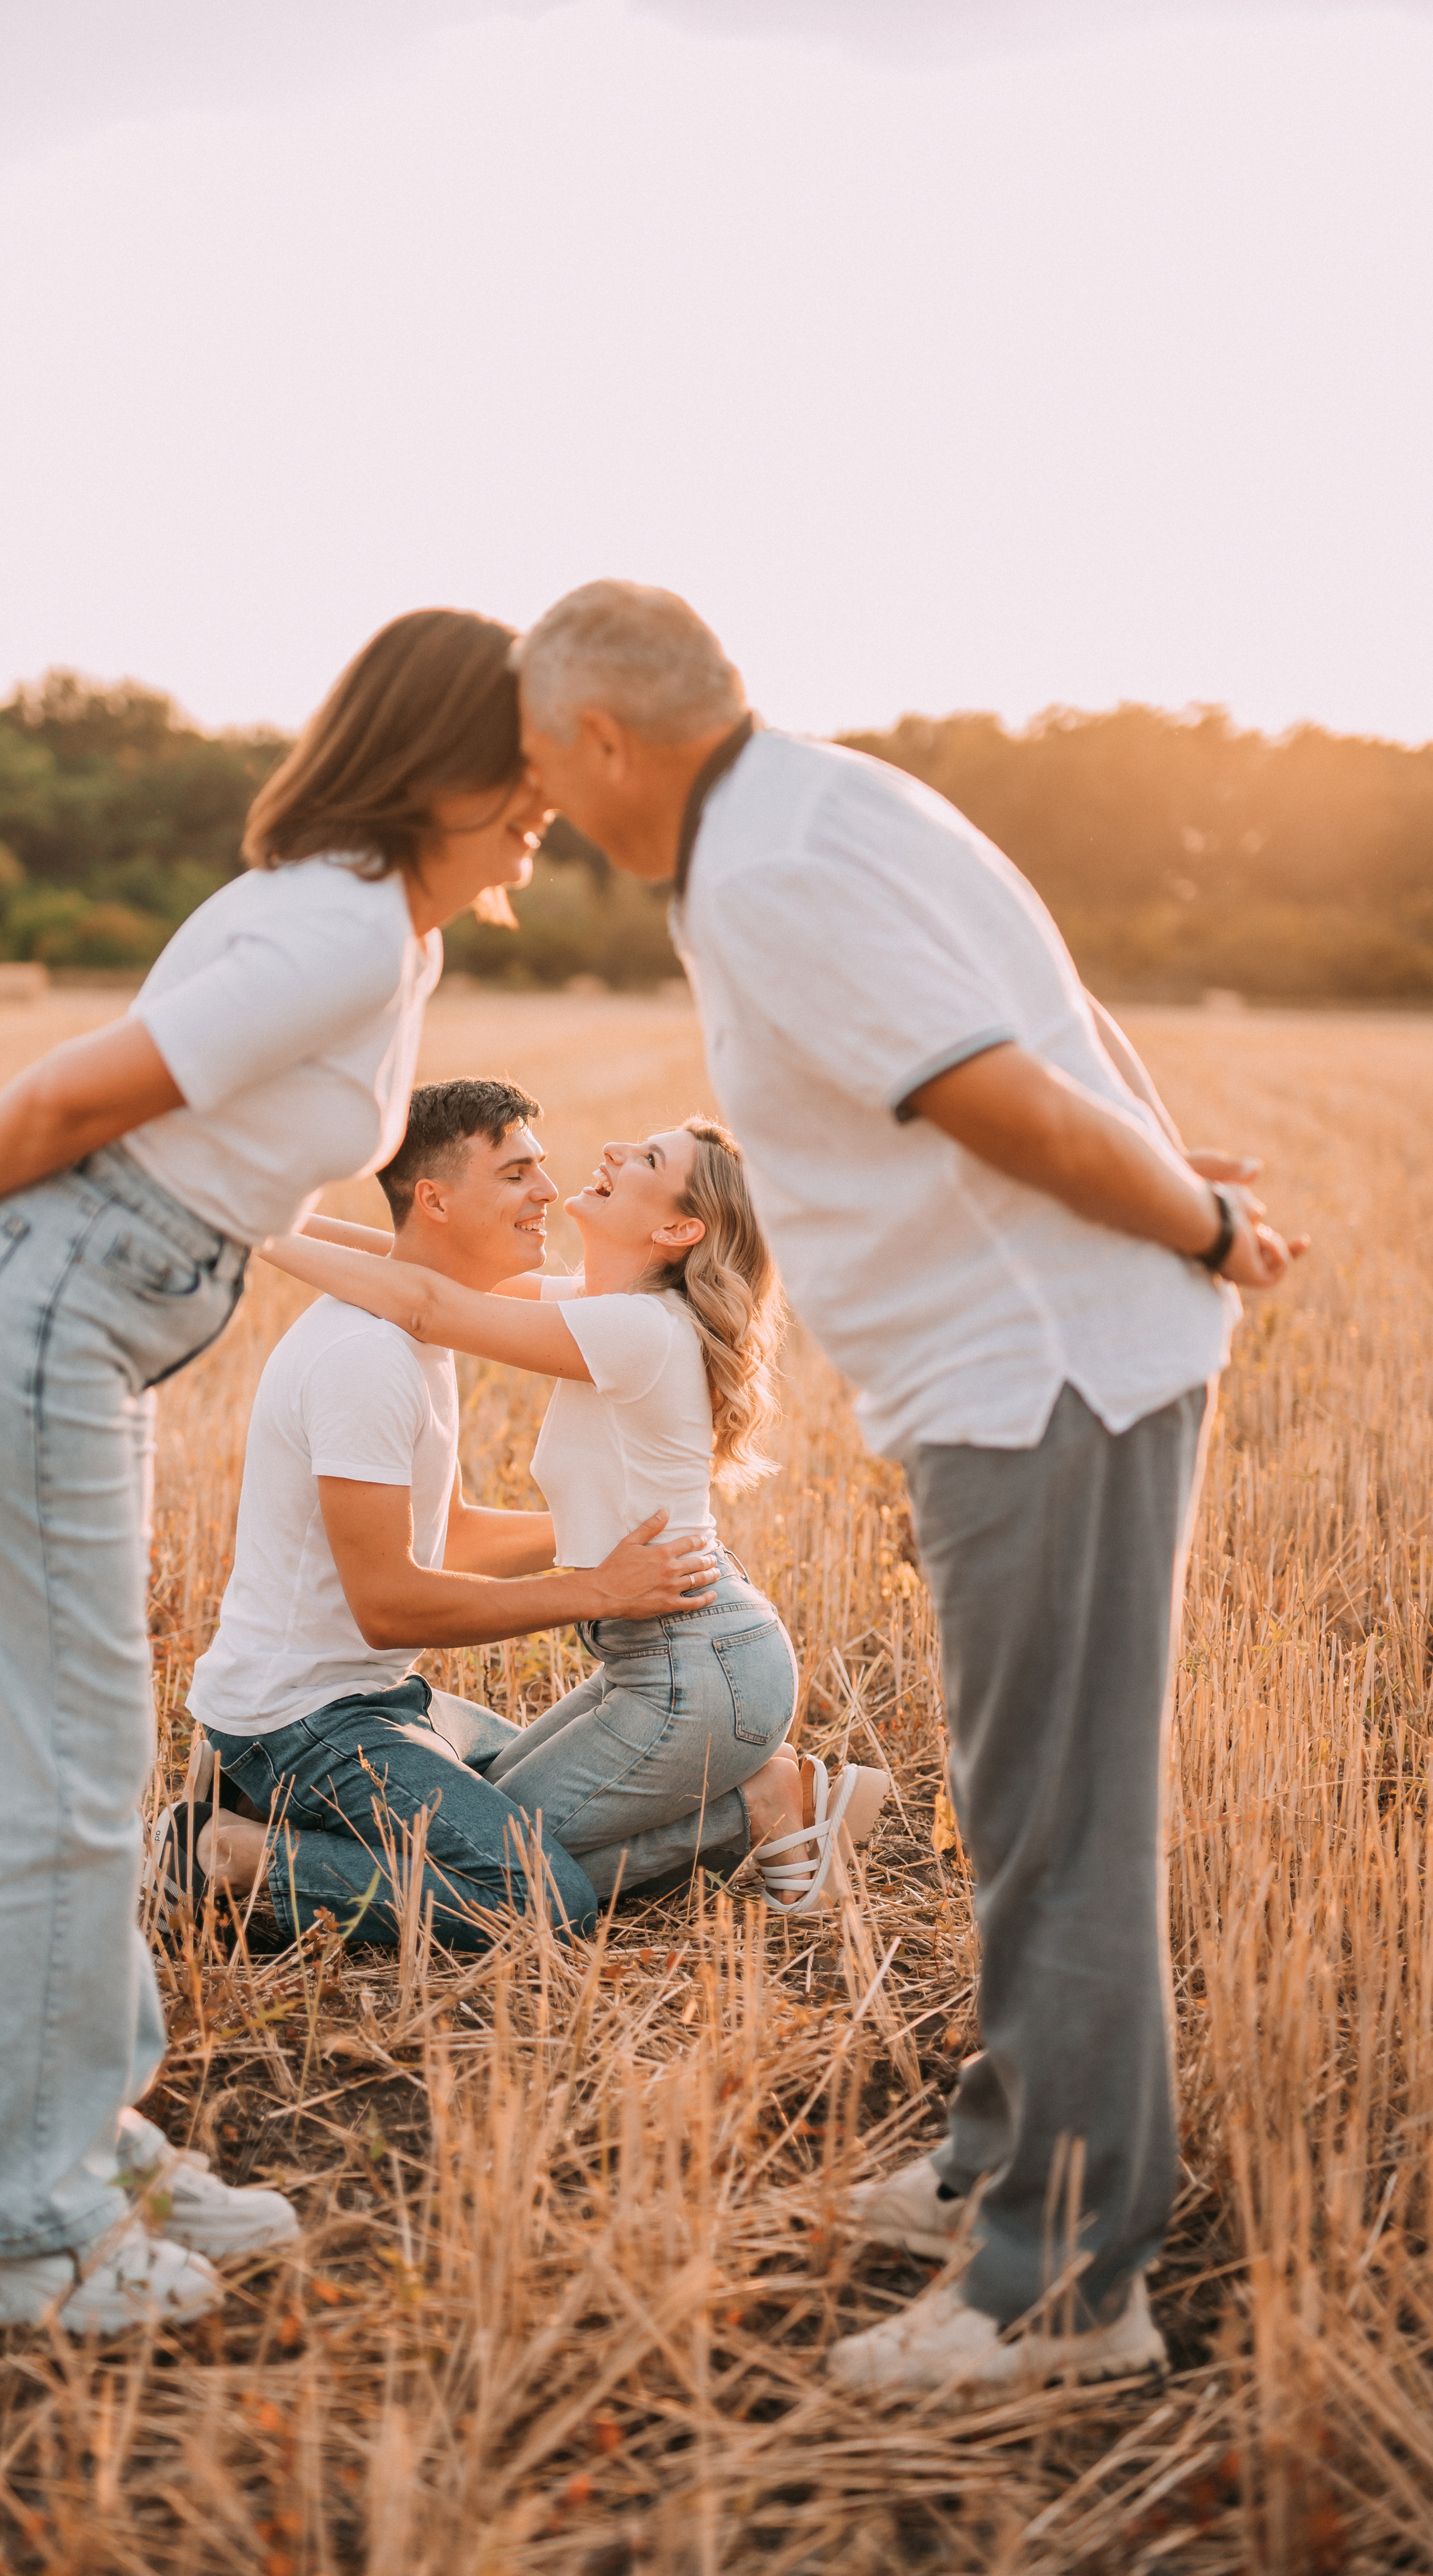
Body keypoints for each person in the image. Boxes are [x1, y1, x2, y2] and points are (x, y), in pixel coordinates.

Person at [508, 578, 1307, 2401]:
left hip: (1045, 1375)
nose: (545, 798)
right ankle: (996, 2164)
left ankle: (1062, 2283)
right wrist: (1165, 1159)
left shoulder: (768, 871)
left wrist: (1196, 1215)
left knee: (1060, 1822)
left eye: (549, 757)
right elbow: (1059, 1016)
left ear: (611, 735)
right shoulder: (833, 800)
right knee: (1024, 1799)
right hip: (1032, 1365)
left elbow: (997, 1080)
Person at [0, 609, 550, 2334]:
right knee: (57, 1783)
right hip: (37, 1310)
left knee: (92, 1756)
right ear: (435, 768)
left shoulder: (363, 921)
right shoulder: (349, 927)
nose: (543, 810)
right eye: (516, 775)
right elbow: (81, 1088)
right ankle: (23, 2225)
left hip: (78, 1316)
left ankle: (95, 2144)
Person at [253, 1089, 885, 1918]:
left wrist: (249, 1234)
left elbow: (424, 1304)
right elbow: (418, 1267)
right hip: (671, 1659)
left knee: (506, 1869)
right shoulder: (607, 1311)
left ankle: (756, 1804)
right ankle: (760, 1795)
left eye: (649, 1160)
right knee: (483, 1823)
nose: (617, 1150)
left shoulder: (641, 1329)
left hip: (698, 1669)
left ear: (676, 1230)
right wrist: (247, 1214)